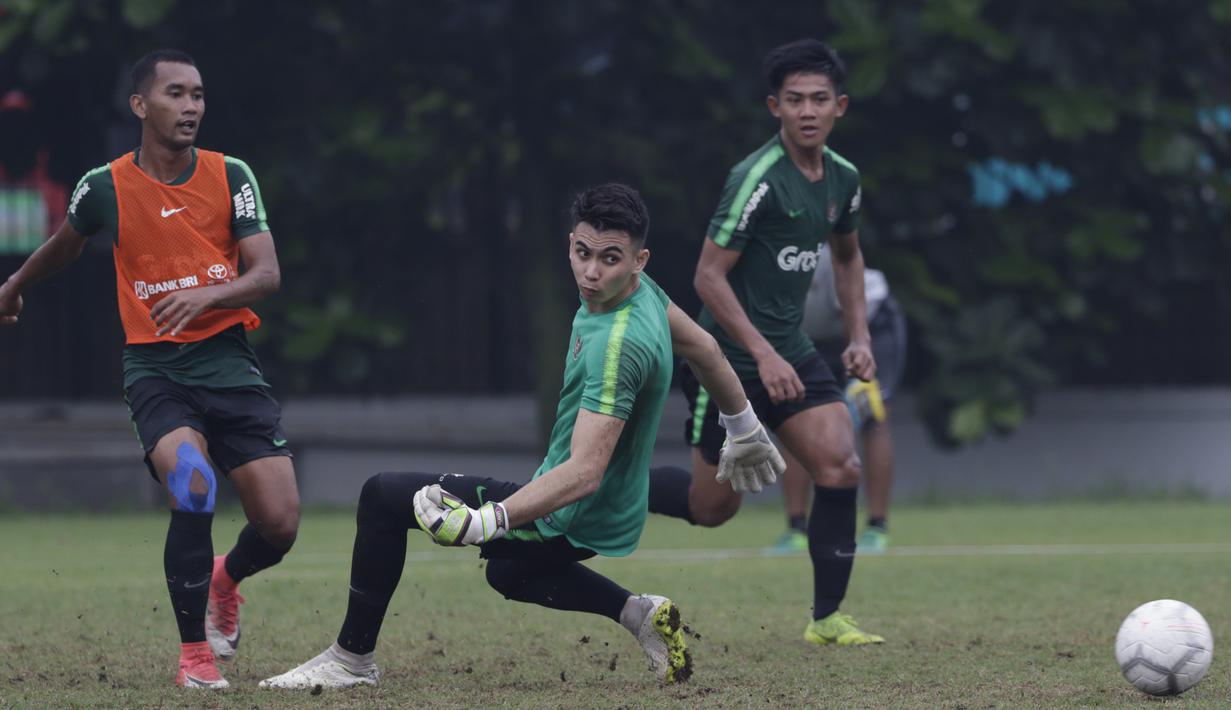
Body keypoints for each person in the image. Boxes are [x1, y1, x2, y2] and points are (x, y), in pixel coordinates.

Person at [260, 183, 784, 690]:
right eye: (584, 252)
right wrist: (742, 425)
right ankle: (637, 613)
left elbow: (583, 473)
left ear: (638, 260)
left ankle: (351, 661)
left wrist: (489, 520)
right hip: (603, 506)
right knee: (510, 573)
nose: (592, 272)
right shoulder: (642, 293)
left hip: (572, 509)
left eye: (610, 259)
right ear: (571, 244)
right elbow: (706, 349)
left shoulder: (617, 347)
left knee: (382, 496)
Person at [0, 49, 299, 689]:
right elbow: (65, 243)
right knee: (193, 484)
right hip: (156, 369)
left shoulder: (230, 174)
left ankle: (226, 578)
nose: (191, 106)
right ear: (141, 105)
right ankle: (195, 656)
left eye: (197, 95)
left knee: (279, 524)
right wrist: (16, 283)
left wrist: (208, 296)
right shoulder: (104, 185)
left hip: (228, 361)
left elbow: (266, 274)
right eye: (175, 94)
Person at [647, 38, 884, 646]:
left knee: (839, 463)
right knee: (712, 510)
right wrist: (762, 353)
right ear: (775, 106)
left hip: (792, 350)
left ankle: (827, 618)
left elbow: (849, 257)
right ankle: (612, 481)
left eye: (820, 100)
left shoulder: (845, 179)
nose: (808, 111)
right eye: (796, 100)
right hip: (724, 359)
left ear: (841, 107)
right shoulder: (755, 179)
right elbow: (707, 276)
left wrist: (859, 334)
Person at [769, 249, 907, 554]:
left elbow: (852, 310)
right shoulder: (755, 270)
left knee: (870, 411)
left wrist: (858, 367)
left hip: (867, 326)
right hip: (809, 337)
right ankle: (795, 529)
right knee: (791, 416)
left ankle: (877, 527)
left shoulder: (820, 260)